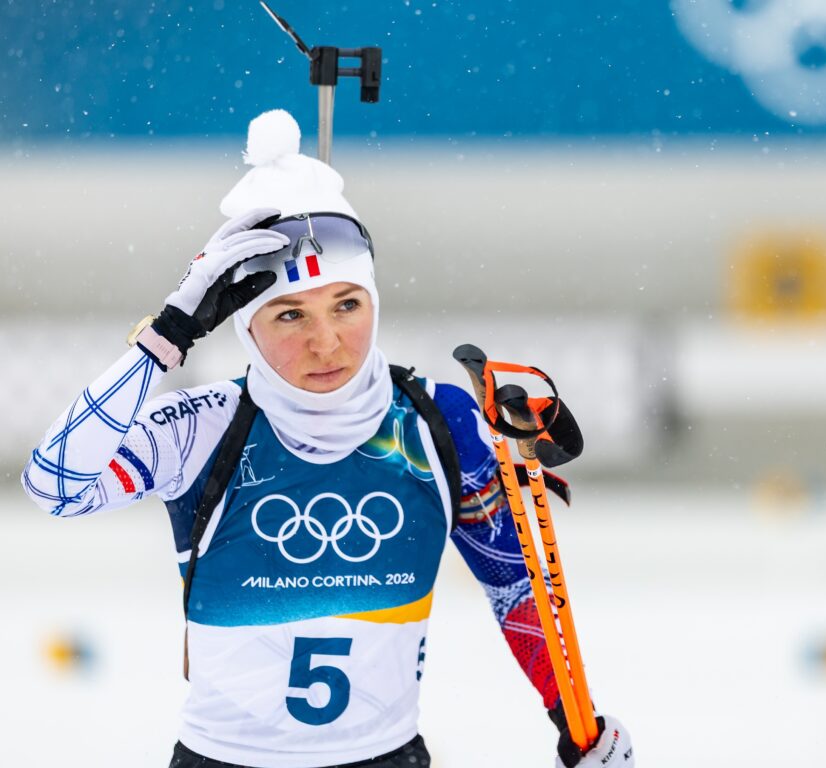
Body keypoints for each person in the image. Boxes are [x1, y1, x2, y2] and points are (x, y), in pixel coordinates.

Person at [21, 109, 633, 768]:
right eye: (290, 315)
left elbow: (516, 585)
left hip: (386, 757)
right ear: (244, 328)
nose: (327, 342)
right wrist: (166, 336)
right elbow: (55, 487)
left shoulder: (437, 420)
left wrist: (573, 721)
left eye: (347, 304)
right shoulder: (204, 427)